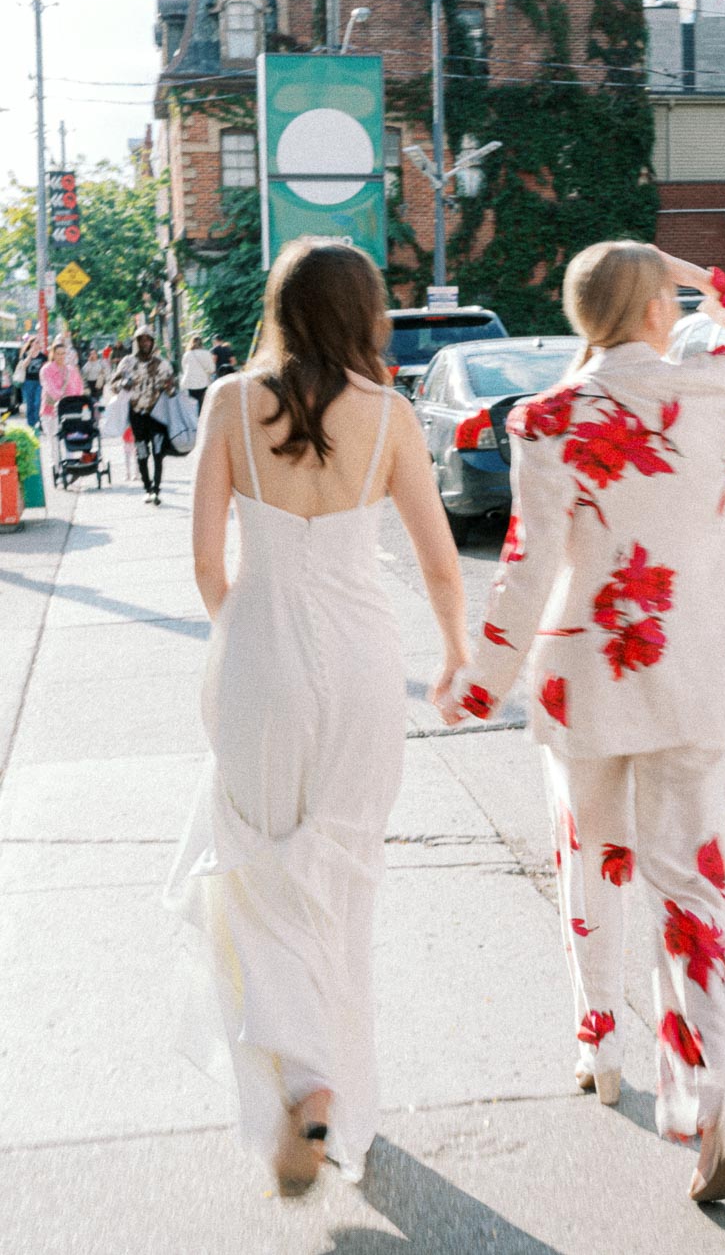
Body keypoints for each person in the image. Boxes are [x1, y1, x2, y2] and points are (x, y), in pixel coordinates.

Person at [439, 244, 725, 1205]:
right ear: (660, 306)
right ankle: (715, 1090)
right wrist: (706, 280)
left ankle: (599, 1044)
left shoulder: (548, 418)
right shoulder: (718, 389)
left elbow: (526, 566)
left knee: (590, 858)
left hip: (585, 680)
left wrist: (480, 683)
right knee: (690, 879)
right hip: (694, 671)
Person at [163, 239, 468, 1194]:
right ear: (364, 314)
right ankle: (339, 1093)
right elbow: (438, 561)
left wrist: (248, 638)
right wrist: (458, 652)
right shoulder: (392, 418)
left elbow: (209, 562)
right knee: (342, 877)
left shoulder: (228, 404)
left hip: (259, 658)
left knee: (255, 872)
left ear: (282, 308)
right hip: (364, 668)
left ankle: (303, 1085)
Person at [109, 325, 174, 505]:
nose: (145, 343)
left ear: (153, 342)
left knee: (158, 451)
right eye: (142, 340)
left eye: (148, 340)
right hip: (137, 412)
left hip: (157, 412)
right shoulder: (127, 362)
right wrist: (123, 383)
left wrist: (169, 386)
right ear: (136, 343)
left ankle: (157, 489)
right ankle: (147, 487)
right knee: (142, 449)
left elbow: (172, 386)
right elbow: (113, 385)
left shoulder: (161, 363)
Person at [39, 337, 84, 465]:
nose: (61, 356)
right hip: (50, 411)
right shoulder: (46, 370)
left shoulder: (71, 370)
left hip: (68, 413)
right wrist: (63, 398)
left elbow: (79, 388)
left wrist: (76, 403)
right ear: (53, 354)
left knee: (70, 440)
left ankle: (71, 468)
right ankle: (58, 469)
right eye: (58, 354)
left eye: (63, 353)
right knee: (54, 442)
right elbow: (50, 388)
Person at [17, 336, 46, 433]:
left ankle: (37, 422)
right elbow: (24, 366)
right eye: (35, 342)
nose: (37, 344)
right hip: (28, 382)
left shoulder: (43, 356)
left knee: (37, 403)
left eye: (38, 342)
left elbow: (45, 369)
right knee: (29, 403)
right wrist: (30, 355)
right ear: (31, 344)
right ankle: (30, 424)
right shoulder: (25, 354)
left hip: (39, 382)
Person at [179, 334, 215, 412]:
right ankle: (201, 421)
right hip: (202, 383)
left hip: (190, 383)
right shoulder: (206, 353)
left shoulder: (187, 354)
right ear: (202, 343)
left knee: (192, 406)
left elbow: (184, 368)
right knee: (202, 405)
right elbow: (212, 369)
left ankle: (194, 421)